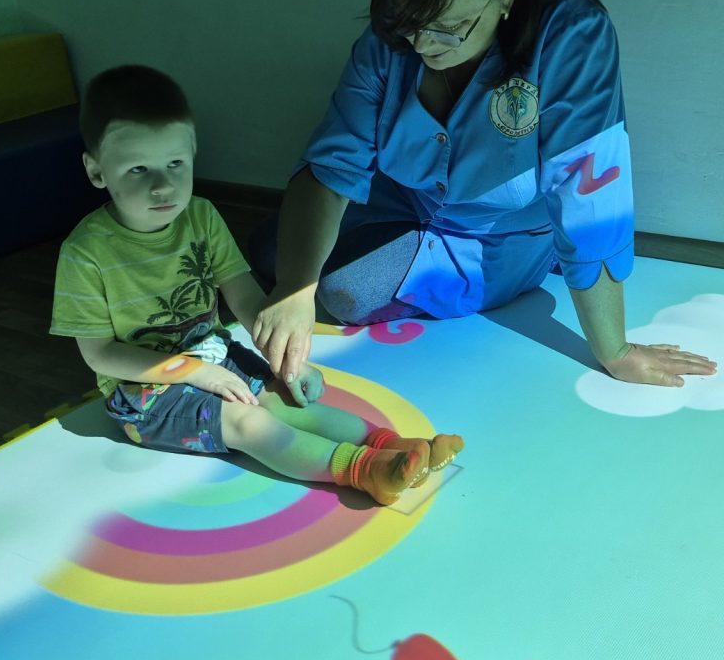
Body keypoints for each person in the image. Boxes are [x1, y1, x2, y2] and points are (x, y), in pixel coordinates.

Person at [250, 0, 717, 389]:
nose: (424, 45)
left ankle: (534, 262)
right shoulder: (394, 29)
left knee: (346, 290)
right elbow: (332, 166)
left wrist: (614, 350)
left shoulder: (573, 36)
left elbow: (590, 196)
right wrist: (294, 287)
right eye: (410, 23)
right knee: (272, 251)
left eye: (450, 26)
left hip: (499, 234)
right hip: (405, 198)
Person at [49, 65, 463, 506]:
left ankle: (391, 446)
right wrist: (194, 372)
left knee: (287, 401)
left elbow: (245, 295)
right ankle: (365, 472)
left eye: (175, 164)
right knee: (248, 424)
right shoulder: (85, 252)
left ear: (192, 152)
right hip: (143, 392)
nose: (162, 185)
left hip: (215, 354)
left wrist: (287, 359)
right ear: (97, 170)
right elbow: (100, 354)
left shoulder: (201, 216)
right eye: (137, 169)